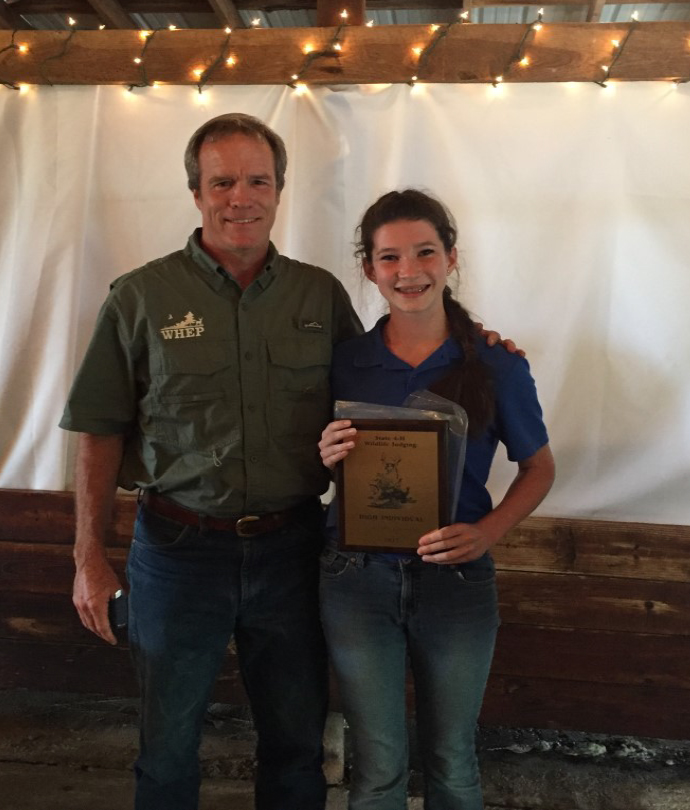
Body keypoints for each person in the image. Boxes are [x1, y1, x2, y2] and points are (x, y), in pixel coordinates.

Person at [60, 114, 517, 810]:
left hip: (293, 552)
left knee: (297, 744)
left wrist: (469, 337)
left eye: (257, 181)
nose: (240, 197)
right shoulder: (141, 297)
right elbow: (95, 429)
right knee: (167, 747)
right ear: (196, 193)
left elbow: (382, 372)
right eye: (223, 182)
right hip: (178, 555)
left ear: (279, 191)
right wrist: (87, 556)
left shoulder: (318, 296)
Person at [318, 189, 555, 810]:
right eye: (389, 257)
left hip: (456, 579)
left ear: (450, 258)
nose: (408, 271)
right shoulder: (345, 362)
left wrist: (489, 532)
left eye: (424, 252)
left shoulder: (499, 364)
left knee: (452, 762)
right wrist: (323, 453)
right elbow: (313, 464)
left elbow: (538, 468)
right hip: (356, 580)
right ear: (369, 268)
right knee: (377, 767)